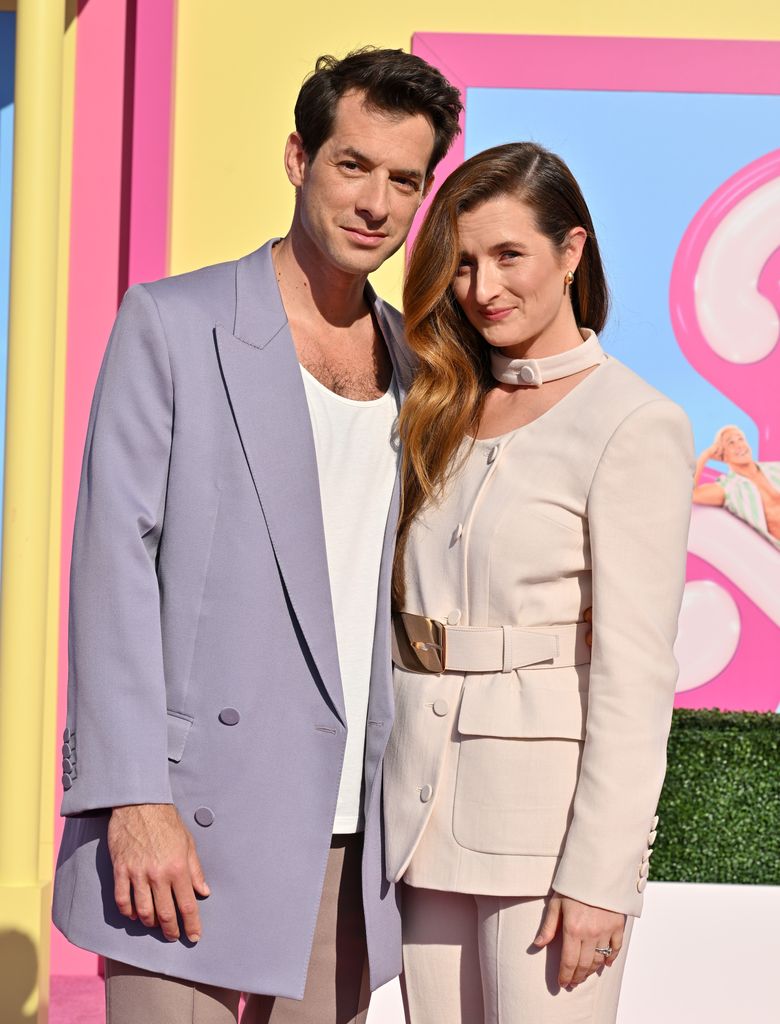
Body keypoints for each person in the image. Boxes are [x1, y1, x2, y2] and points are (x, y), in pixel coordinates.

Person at [52, 48, 462, 1024]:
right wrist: (128, 796)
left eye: (403, 180)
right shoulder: (174, 323)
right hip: (182, 821)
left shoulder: (421, 363)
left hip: (348, 836)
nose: (375, 201)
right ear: (297, 157)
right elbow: (114, 569)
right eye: (351, 165)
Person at [383, 142, 694, 1023]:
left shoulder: (635, 421)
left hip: (545, 837)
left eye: (509, 255)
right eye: (465, 263)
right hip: (420, 814)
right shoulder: (436, 404)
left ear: (572, 252)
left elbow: (637, 675)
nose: (483, 287)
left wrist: (603, 876)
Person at [693, 424, 780, 547]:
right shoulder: (729, 488)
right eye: (731, 443)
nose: (739, 446)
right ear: (722, 455)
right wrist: (704, 456)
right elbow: (690, 494)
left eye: (741, 439)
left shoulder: (776, 468)